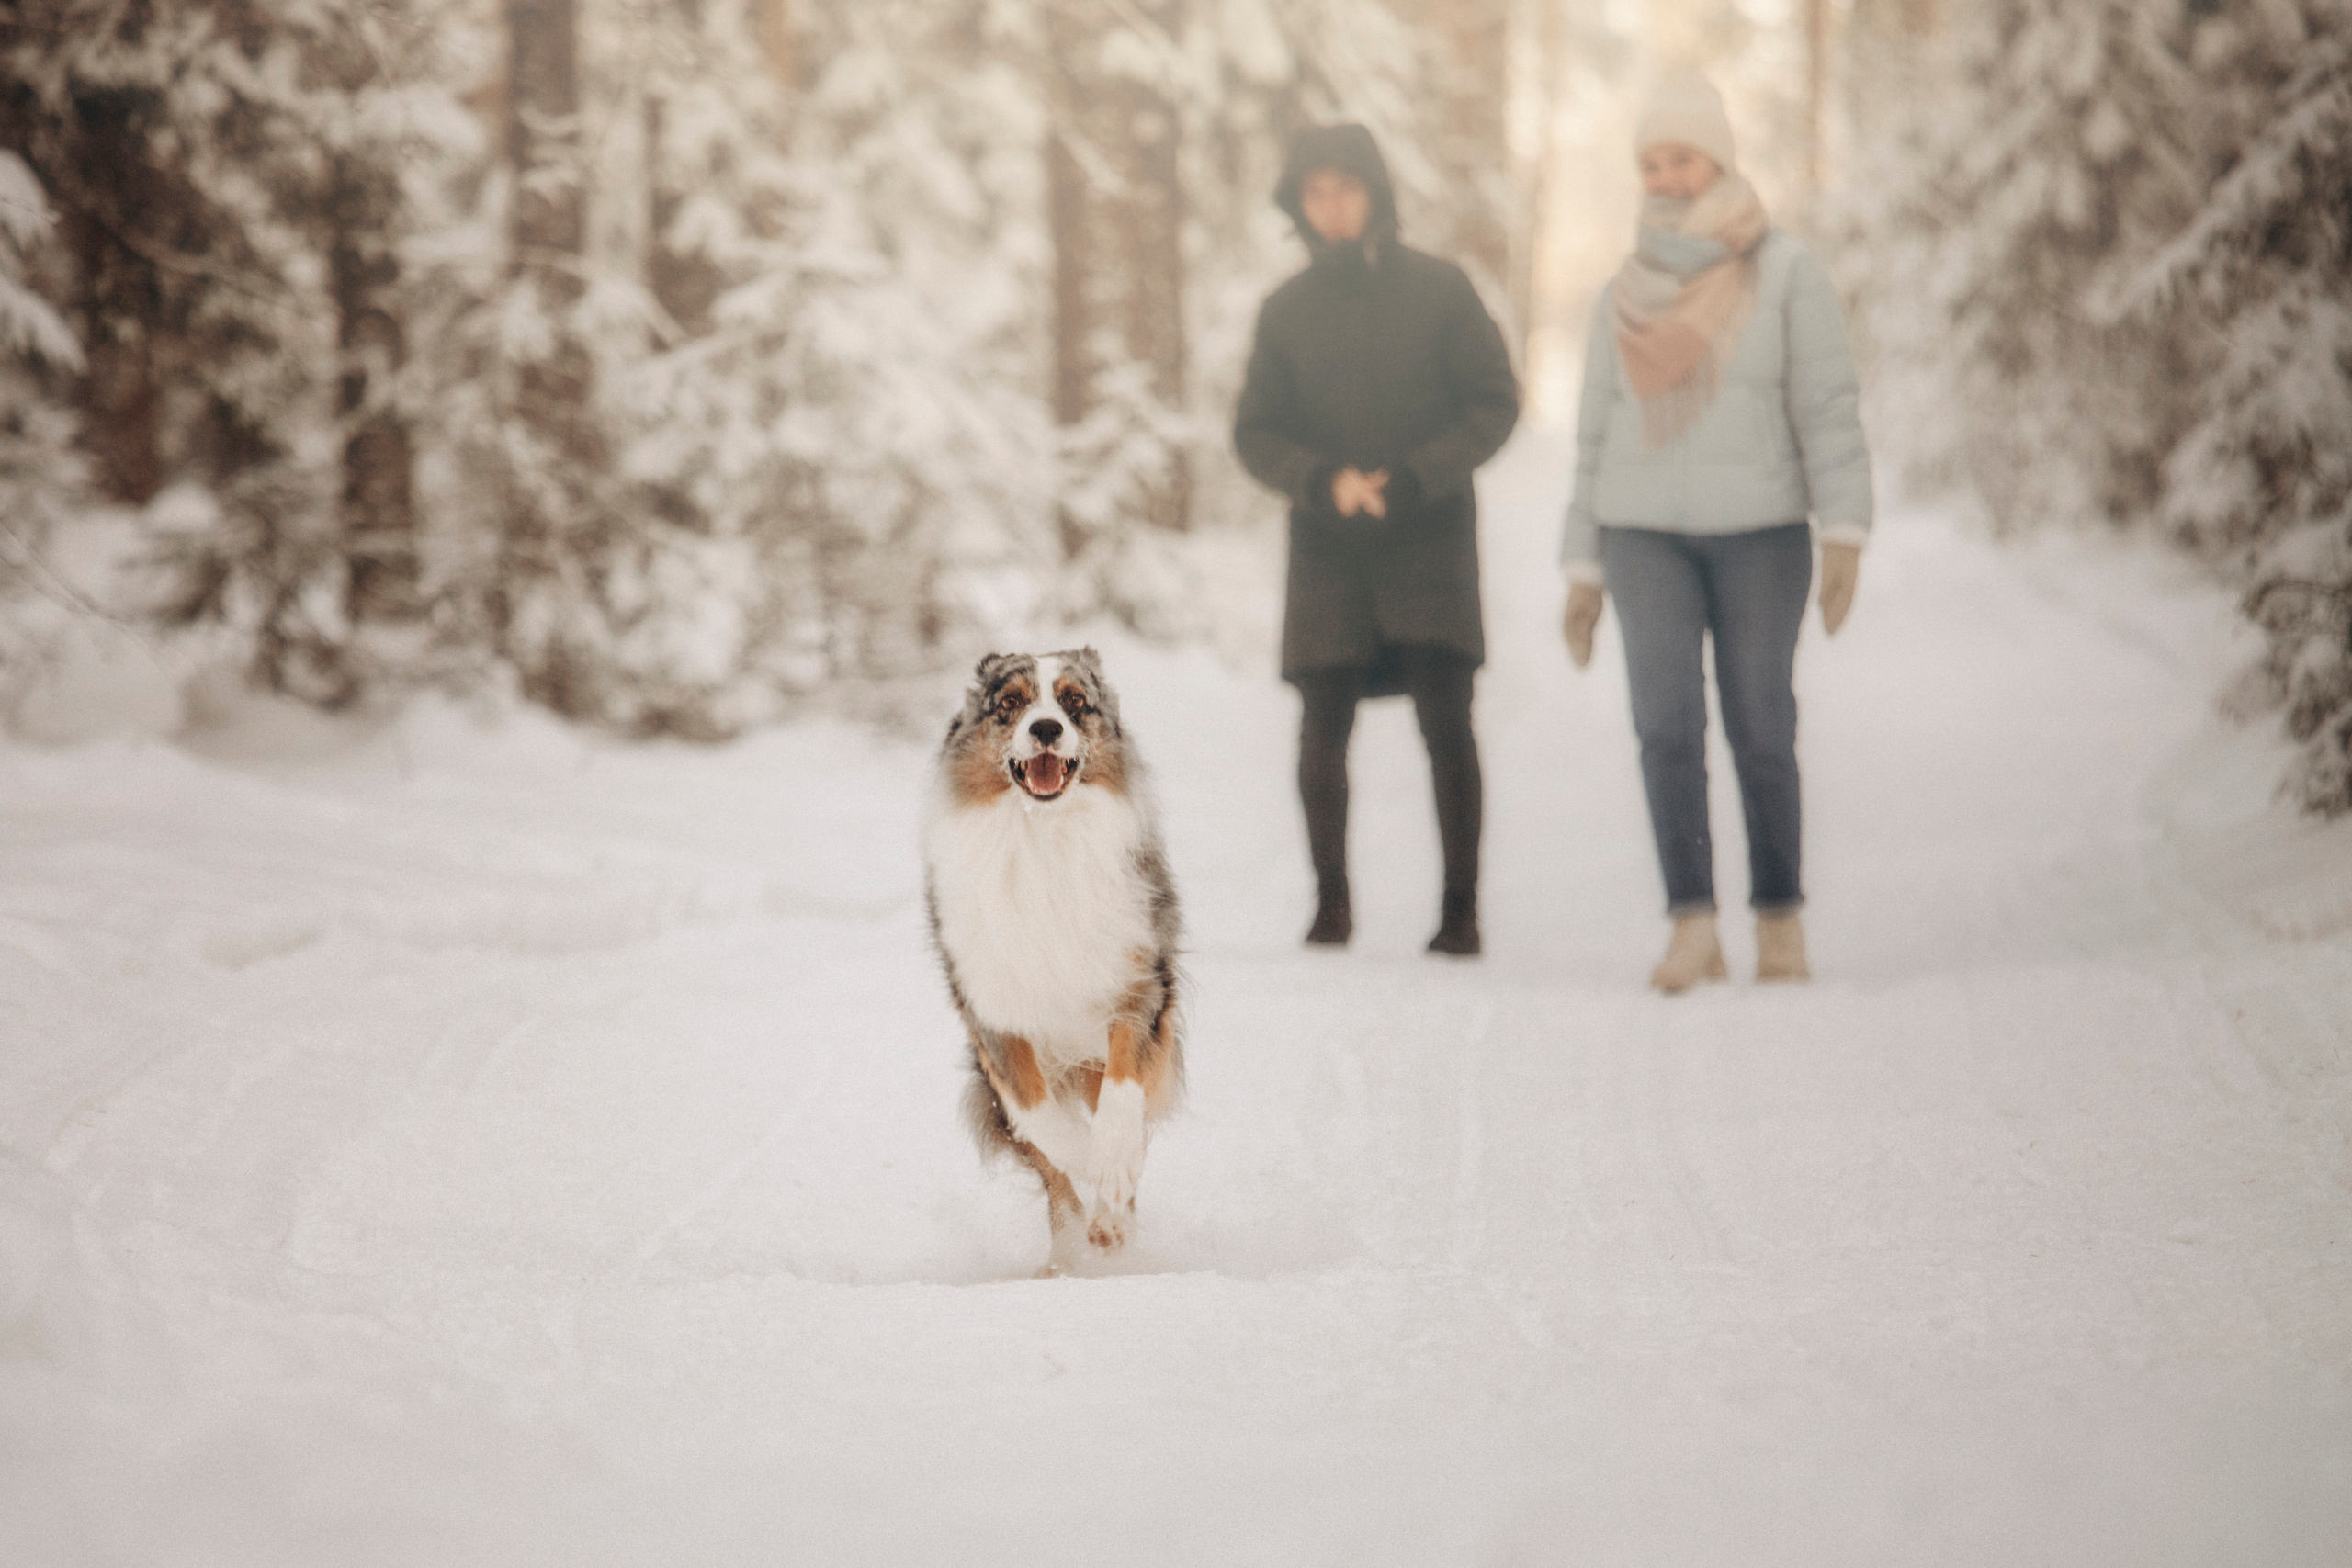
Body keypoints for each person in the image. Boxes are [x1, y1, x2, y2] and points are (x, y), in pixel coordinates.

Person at [1559, 73, 1871, 993]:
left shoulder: (1787, 272)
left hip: (1760, 533)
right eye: (1652, 162)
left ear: (1719, 162)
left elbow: (1827, 406)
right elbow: (1594, 432)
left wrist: (1844, 530)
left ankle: (1779, 918)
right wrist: (1582, 568)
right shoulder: (1623, 289)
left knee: (1762, 723)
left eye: (1682, 158)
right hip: (1639, 534)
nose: (1666, 176)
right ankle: (1691, 924)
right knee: (1664, 727)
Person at [1234, 124, 1521, 957]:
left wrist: (1419, 474)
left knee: (1447, 722)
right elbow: (1254, 431)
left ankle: (1460, 911)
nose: (1333, 206)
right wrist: (1322, 479)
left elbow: (1495, 401)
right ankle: (1331, 907)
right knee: (1321, 725)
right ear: (1299, 205)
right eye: (1316, 193)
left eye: (1347, 188)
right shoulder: (1285, 310)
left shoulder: (1441, 289)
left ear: (1376, 194)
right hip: (1329, 541)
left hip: (1429, 534)